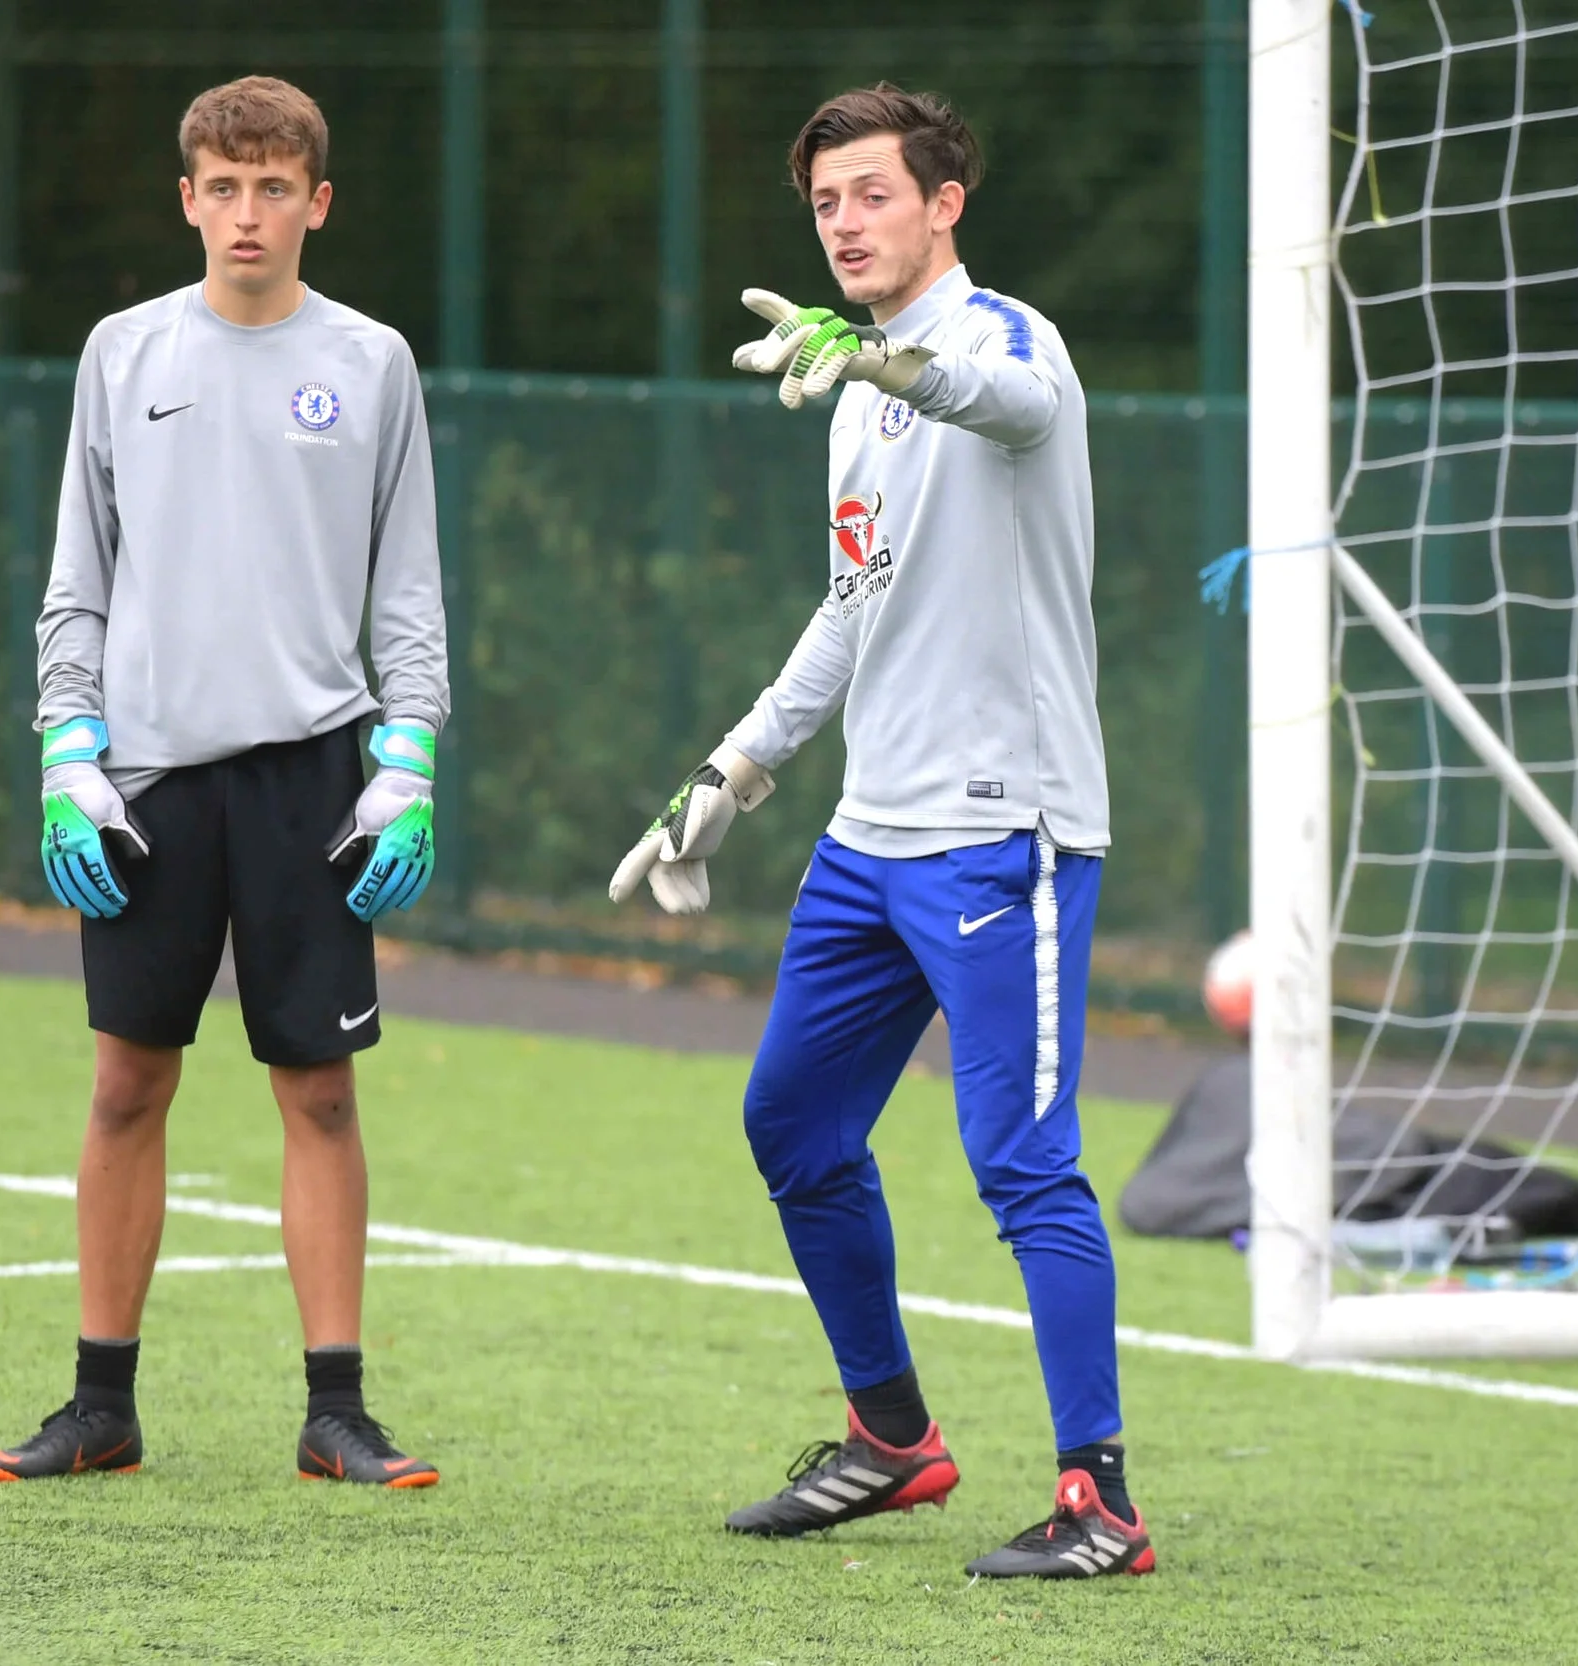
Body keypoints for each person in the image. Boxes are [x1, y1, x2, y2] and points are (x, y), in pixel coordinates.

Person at [608, 83, 1150, 1579]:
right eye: (827, 203)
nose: (845, 223)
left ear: (944, 201)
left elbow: (1012, 407)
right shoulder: (847, 390)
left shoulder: (1000, 344)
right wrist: (729, 773)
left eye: (872, 194)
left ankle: (1101, 1498)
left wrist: (894, 363)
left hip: (1003, 832)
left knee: (1023, 1162)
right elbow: (853, 613)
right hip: (868, 842)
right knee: (791, 1123)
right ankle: (894, 1439)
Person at [0, 75, 447, 1489]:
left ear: (318, 201)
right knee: (126, 1083)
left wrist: (407, 765)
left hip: (313, 782)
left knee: (320, 1094)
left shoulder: (374, 364)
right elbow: (77, 583)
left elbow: (408, 593)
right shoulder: (121, 352)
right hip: (144, 785)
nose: (249, 212)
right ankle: (99, 1405)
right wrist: (67, 755)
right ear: (187, 200)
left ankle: (336, 1411)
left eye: (275, 185)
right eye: (222, 187)